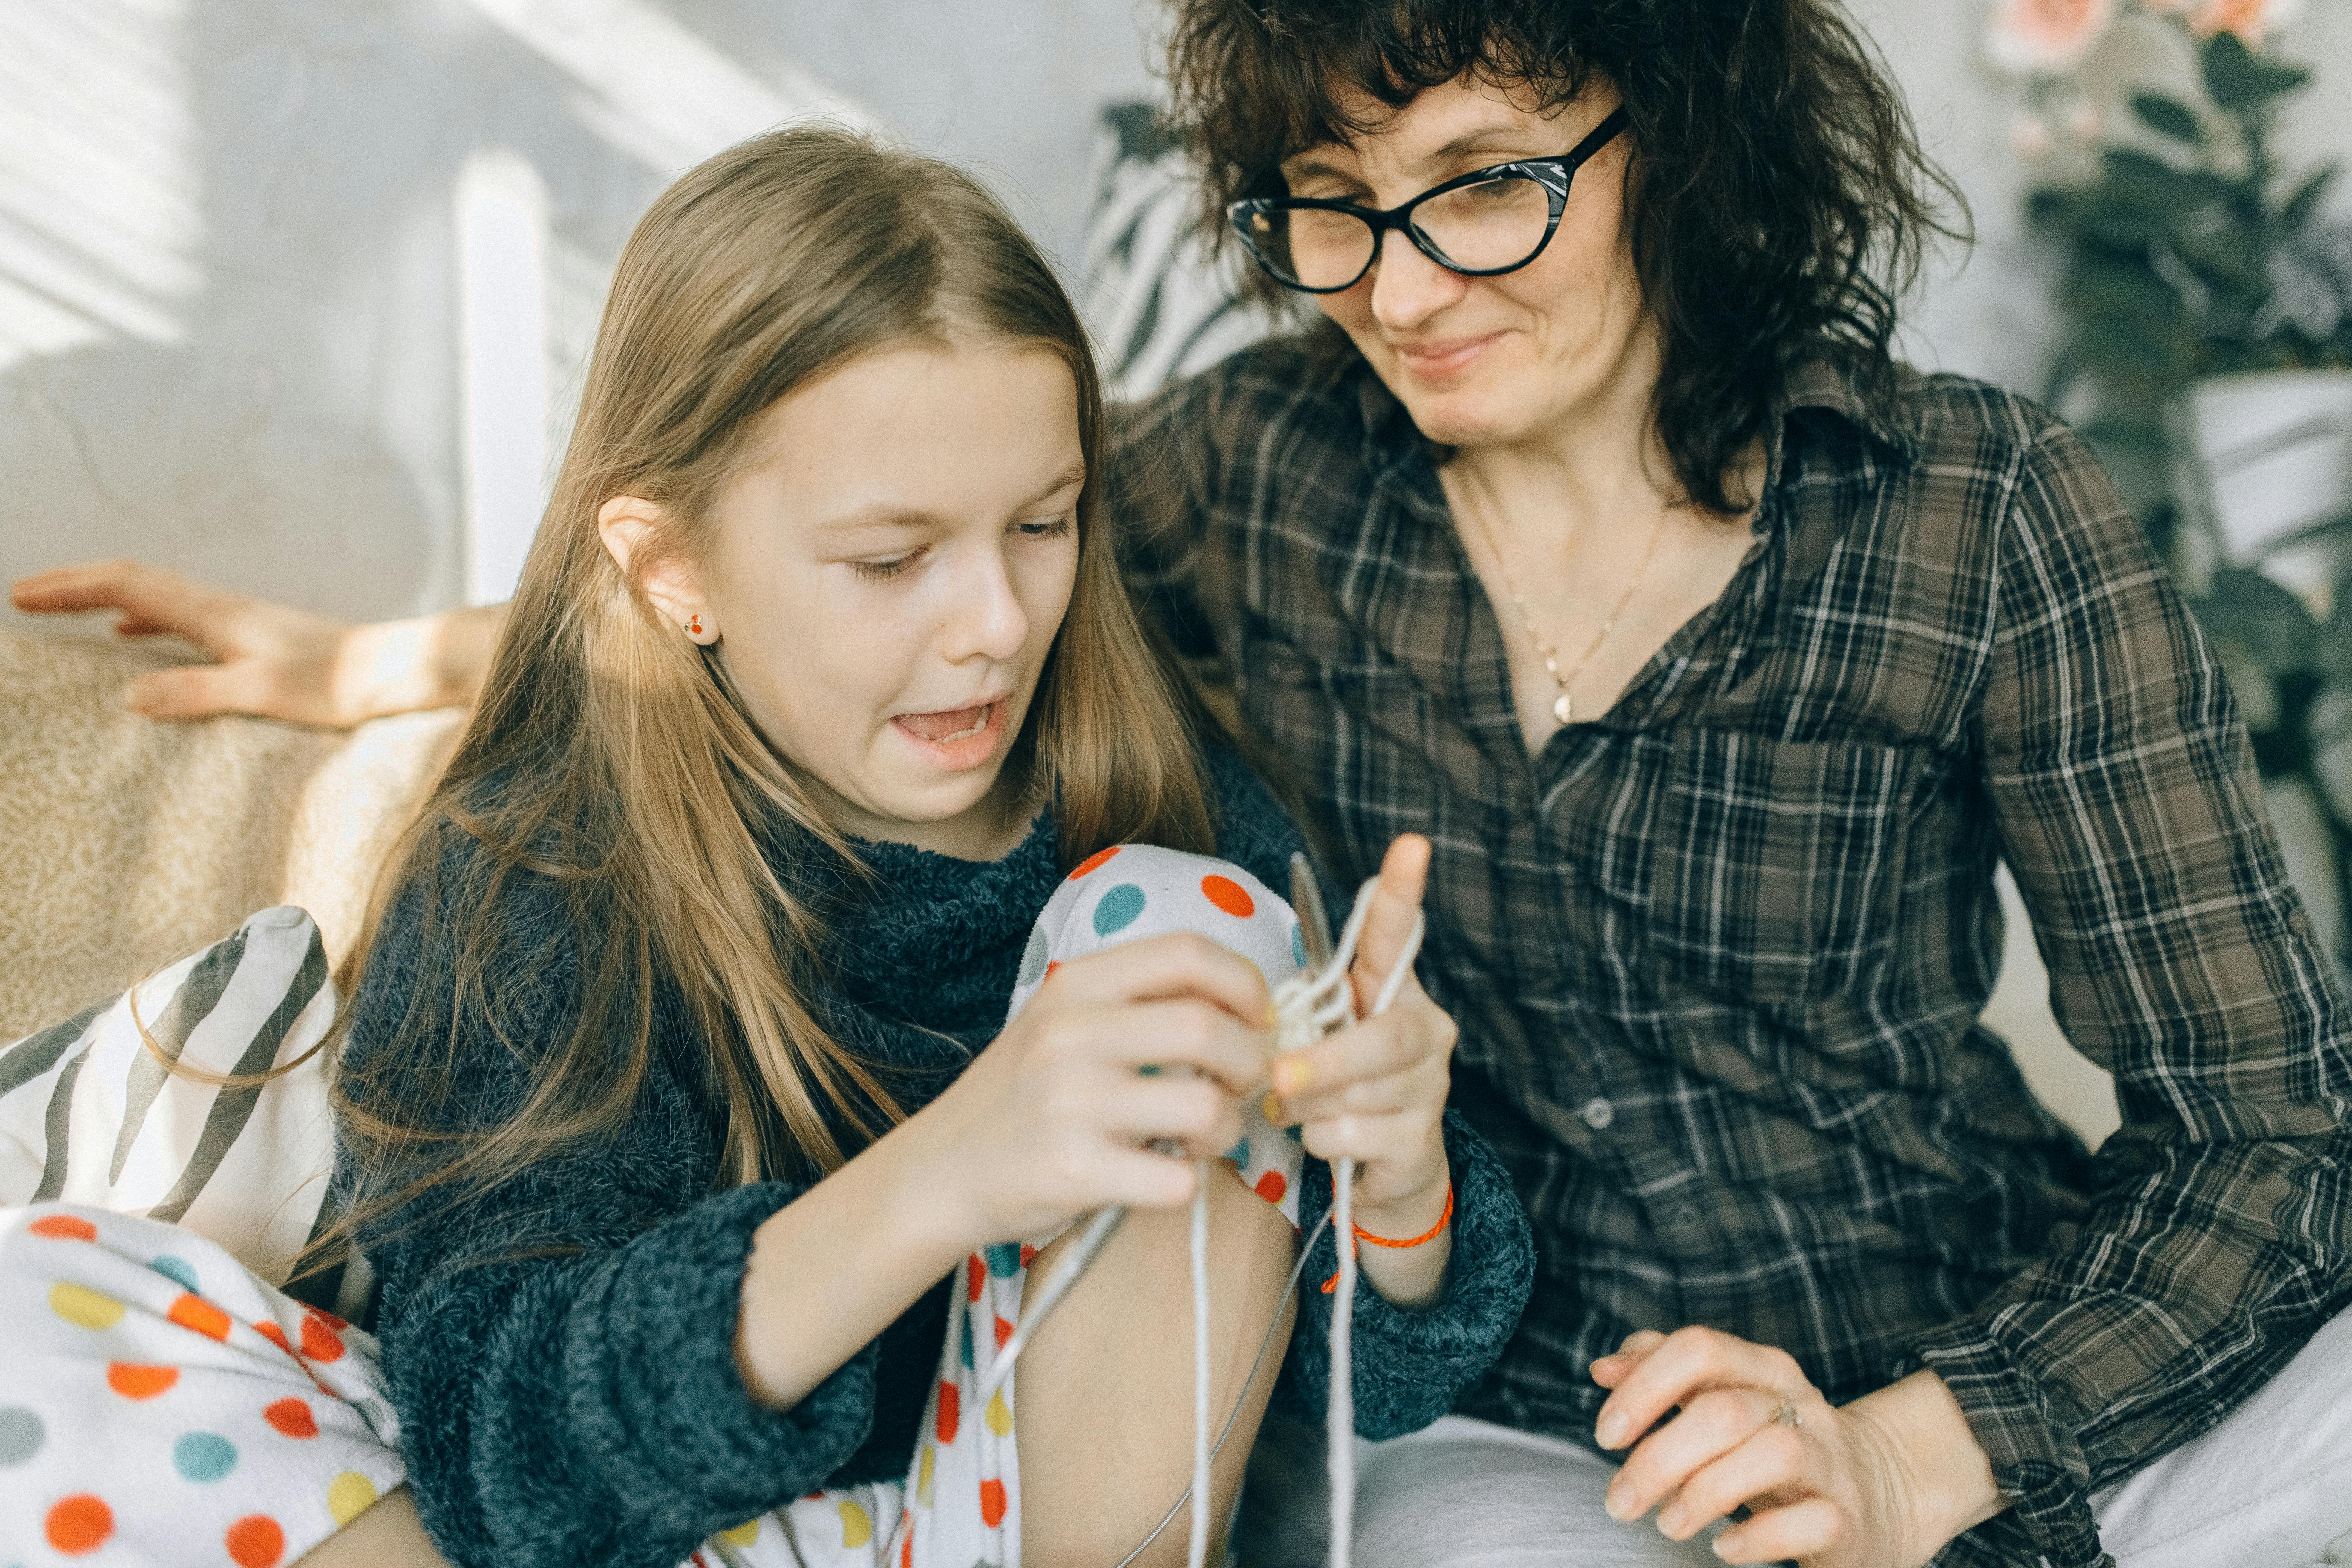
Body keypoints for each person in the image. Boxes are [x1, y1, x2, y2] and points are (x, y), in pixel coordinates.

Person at [18, 2, 2352, 1565]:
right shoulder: (1256, 480)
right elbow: (787, 574)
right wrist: (376, 660)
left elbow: (2274, 1131)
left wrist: (1916, 1448)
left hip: (1962, 1358)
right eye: (1331, 205)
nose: (1404, 283)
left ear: (1687, 137)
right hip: (1527, 1440)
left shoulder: (1964, 513)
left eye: (1487, 181)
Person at [0, 127, 1538, 1568]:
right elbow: (496, 1453)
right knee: (35, 1302)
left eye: (1045, 522)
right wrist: (948, 1167)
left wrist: (1399, 1181)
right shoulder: (539, 873)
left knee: (1183, 914)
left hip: (1023, 1527)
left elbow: (1358, 1388)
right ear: (675, 571)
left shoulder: (1153, 789)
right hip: (654, 1529)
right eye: (892, 558)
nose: (998, 625)